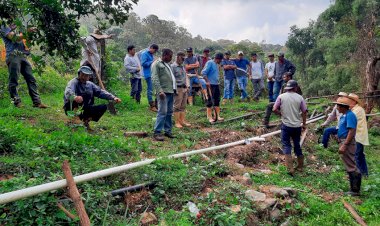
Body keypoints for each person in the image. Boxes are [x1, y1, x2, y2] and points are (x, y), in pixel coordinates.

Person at [0, 20, 48, 108]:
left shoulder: (19, 26)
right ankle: (16, 102)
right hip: (13, 55)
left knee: (31, 78)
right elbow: (14, 37)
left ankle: (37, 102)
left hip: (23, 55)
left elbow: (25, 40)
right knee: (13, 80)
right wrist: (27, 32)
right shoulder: (4, 26)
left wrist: (30, 35)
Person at [63, 66, 121, 131]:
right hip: (71, 108)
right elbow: (68, 92)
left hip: (85, 109)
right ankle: (74, 120)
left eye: (86, 75)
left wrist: (113, 97)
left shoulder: (90, 85)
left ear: (89, 77)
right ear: (79, 74)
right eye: (82, 75)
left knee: (103, 107)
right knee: (78, 99)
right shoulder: (73, 82)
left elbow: (100, 92)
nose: (84, 77)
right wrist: (75, 97)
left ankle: (85, 122)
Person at [273, 80, 307, 176]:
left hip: (286, 125)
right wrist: (304, 123)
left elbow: (274, 109)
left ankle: (290, 168)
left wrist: (281, 114)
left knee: (286, 145)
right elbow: (304, 111)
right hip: (296, 126)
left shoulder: (281, 97)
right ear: (295, 88)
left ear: (287, 88)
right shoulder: (300, 98)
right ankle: (300, 166)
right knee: (297, 145)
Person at [333, 96, 361, 196]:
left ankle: (355, 190)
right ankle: (353, 188)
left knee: (351, 165)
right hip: (344, 141)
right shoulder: (344, 115)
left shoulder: (350, 115)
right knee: (349, 164)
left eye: (338, 106)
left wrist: (345, 144)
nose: (337, 108)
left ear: (343, 107)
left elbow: (351, 130)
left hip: (347, 143)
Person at [152, 49, 176, 141]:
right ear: (165, 55)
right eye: (170, 56)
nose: (171, 58)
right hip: (163, 92)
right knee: (162, 112)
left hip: (170, 91)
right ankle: (157, 132)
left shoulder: (167, 64)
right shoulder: (157, 64)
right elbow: (154, 78)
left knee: (169, 112)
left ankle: (167, 130)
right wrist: (160, 91)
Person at [347, 93, 369, 177]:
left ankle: (358, 175)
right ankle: (364, 174)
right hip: (359, 136)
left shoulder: (357, 110)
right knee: (360, 155)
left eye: (349, 100)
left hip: (358, 136)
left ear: (353, 101)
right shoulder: (355, 109)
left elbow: (350, 121)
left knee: (356, 156)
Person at [202, 53, 224, 122]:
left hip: (216, 84)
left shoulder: (216, 65)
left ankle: (217, 116)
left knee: (217, 100)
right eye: (220, 60)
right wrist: (207, 81)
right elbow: (203, 73)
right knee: (210, 101)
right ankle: (209, 117)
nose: (221, 61)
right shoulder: (210, 63)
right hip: (210, 85)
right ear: (218, 59)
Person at [172, 52, 191, 128]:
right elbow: (172, 79)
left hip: (184, 88)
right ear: (177, 57)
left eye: (184, 58)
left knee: (183, 106)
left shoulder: (182, 66)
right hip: (178, 88)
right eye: (182, 58)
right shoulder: (173, 67)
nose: (183, 60)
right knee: (177, 106)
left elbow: (185, 77)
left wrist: (187, 86)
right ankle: (177, 122)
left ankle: (182, 121)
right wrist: (174, 89)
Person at [140, 44, 159, 111]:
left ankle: (156, 104)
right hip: (148, 74)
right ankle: (151, 105)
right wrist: (153, 61)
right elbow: (143, 64)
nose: (154, 52)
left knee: (156, 89)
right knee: (150, 89)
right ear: (151, 48)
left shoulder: (151, 54)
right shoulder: (144, 53)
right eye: (154, 50)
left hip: (153, 74)